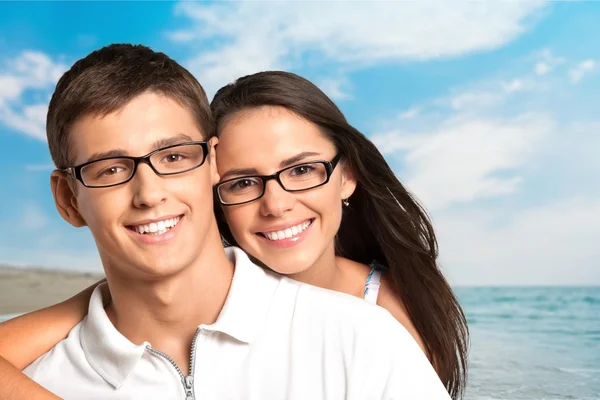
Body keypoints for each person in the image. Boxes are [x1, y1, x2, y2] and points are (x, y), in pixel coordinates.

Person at [0, 44, 451, 400]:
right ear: (68, 199)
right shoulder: (42, 378)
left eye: (174, 157)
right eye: (111, 169)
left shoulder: (362, 338)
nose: (150, 193)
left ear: (211, 162)